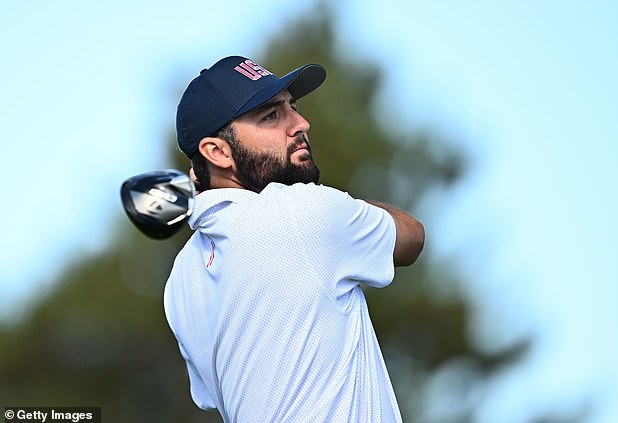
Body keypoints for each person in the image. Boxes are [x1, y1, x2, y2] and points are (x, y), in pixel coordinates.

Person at [164, 55, 425, 423]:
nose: (301, 124)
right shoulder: (303, 212)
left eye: (293, 107)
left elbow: (212, 398)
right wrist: (338, 204)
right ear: (217, 152)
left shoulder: (181, 278)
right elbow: (412, 236)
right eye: (270, 116)